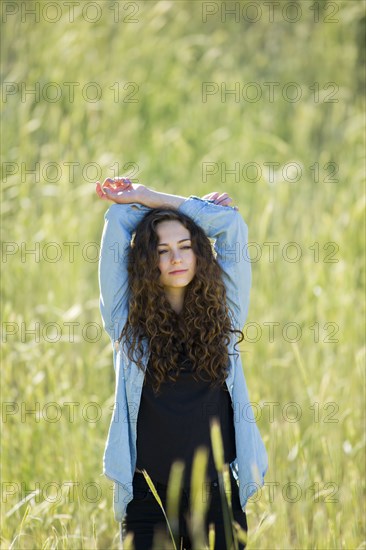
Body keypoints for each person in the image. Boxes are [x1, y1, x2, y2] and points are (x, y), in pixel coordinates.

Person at [96, 177, 268, 550]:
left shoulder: (225, 314)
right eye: (161, 250)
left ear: (198, 254)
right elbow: (116, 220)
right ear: (145, 259)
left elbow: (230, 226)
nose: (175, 258)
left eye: (185, 246)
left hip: (216, 493)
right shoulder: (126, 324)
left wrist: (155, 198)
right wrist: (146, 202)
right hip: (148, 495)